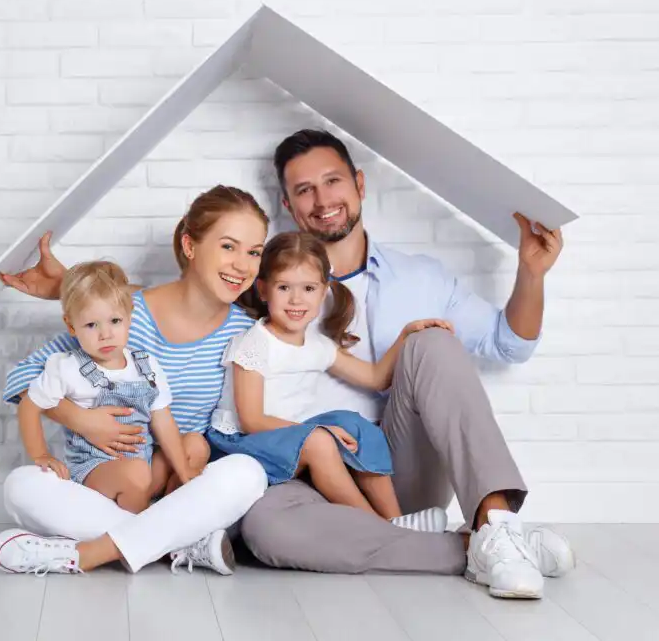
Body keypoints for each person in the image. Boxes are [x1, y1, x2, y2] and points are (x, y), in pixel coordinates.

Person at [238, 129, 575, 599]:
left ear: (359, 184)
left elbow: (509, 344)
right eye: (304, 190)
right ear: (289, 205)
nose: (322, 200)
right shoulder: (275, 289)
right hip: (309, 475)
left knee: (430, 342)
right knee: (264, 528)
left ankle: (496, 520)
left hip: (397, 470)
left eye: (333, 181)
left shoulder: (422, 277)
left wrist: (532, 274)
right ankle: (482, 547)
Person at [0, 185, 271, 577]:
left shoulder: (246, 334)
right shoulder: (125, 313)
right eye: (228, 246)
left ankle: (87, 553)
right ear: (190, 246)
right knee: (21, 486)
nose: (242, 265)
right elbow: (23, 379)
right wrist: (82, 420)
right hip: (111, 478)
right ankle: (176, 543)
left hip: (178, 483)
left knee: (247, 473)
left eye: (254, 252)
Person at [208, 231, 450, 532]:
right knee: (321, 441)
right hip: (239, 442)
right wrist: (316, 430)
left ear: (324, 292)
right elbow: (251, 420)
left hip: (290, 436)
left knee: (354, 424)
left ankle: (396, 518)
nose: (296, 300)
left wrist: (405, 336)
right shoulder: (255, 343)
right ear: (263, 290)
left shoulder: (317, 344)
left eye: (308, 288)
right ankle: (383, 529)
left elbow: (375, 379)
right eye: (284, 287)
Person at [17, 260, 201, 514]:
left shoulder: (146, 365)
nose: (105, 334)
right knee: (135, 472)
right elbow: (29, 405)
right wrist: (41, 455)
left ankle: (165, 518)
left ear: (129, 317)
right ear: (71, 326)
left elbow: (163, 421)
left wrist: (183, 472)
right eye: (91, 325)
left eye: (114, 320)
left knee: (194, 445)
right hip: (97, 470)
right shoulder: (67, 368)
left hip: (143, 465)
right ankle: (136, 537)